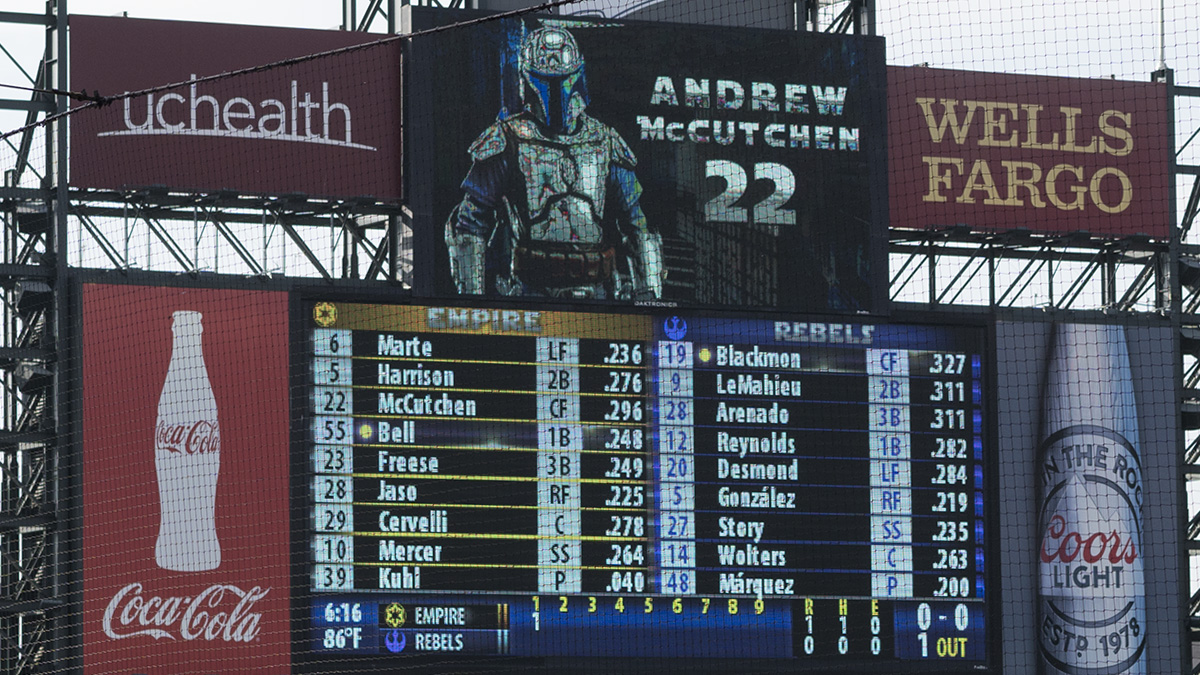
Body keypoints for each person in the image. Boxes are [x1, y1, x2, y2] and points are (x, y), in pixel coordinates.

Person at [445, 26, 664, 300]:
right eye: (546, 80)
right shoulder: (507, 137)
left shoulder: (604, 140)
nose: (556, 91)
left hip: (597, 291)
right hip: (529, 290)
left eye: (562, 79)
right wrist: (472, 300)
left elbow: (637, 225)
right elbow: (470, 222)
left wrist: (651, 297)